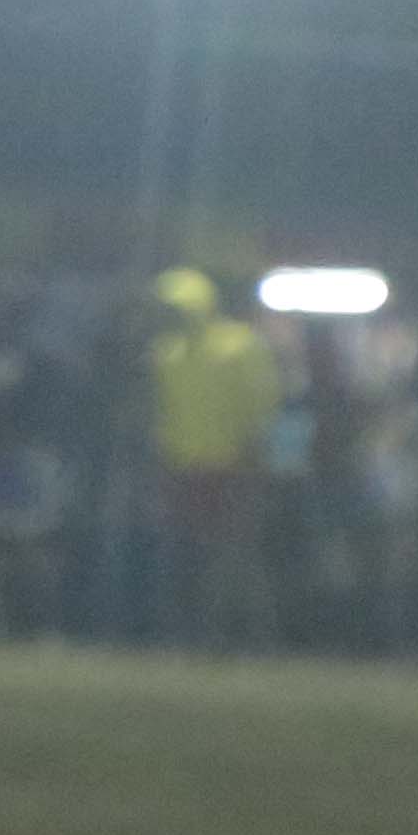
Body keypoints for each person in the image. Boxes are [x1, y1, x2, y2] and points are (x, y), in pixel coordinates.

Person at [147, 264, 286, 651]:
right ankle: (193, 633)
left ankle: (251, 634)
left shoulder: (239, 346)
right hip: (182, 468)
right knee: (187, 556)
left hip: (232, 466)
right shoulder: (166, 353)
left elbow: (263, 406)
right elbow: (162, 412)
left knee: (234, 556)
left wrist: (257, 456)